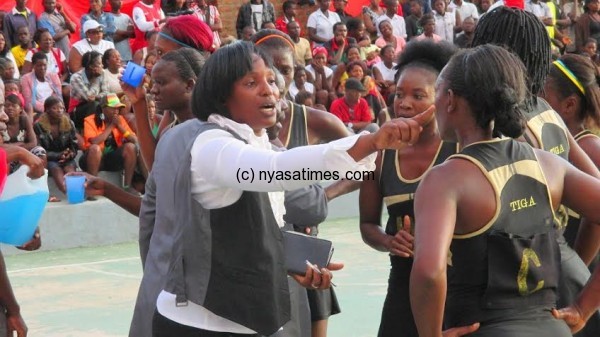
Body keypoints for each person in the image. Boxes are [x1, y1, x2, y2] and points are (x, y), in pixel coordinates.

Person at [150, 40, 429, 337]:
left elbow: (248, 229)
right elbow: (276, 170)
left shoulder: (254, 142)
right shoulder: (212, 146)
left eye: (271, 80)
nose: (269, 89)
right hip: (198, 325)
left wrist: (289, 260)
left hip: (242, 322)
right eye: (251, 82)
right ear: (222, 95)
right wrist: (368, 142)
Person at [408, 41, 599, 337]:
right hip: (554, 329)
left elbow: (429, 272)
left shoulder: (445, 179)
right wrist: (583, 308)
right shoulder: (548, 165)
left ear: (449, 99)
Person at [470, 7, 600, 337]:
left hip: (517, 290)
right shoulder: (547, 113)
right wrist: (575, 267)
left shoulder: (497, 127)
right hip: (564, 275)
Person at [361, 39, 459, 337]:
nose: (404, 103)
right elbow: (367, 225)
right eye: (399, 93)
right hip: (402, 287)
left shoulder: (459, 149)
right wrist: (389, 242)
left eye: (418, 95)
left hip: (456, 288)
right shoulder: (378, 153)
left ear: (442, 98)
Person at [541, 54, 600, 270]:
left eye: (541, 94)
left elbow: (596, 222)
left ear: (569, 105)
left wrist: (576, 271)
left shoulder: (587, 149)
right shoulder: (561, 142)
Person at [80, 93, 140, 191]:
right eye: (113, 108)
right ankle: (92, 186)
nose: (116, 111)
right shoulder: (90, 120)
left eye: (118, 108)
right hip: (91, 160)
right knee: (95, 149)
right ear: (103, 108)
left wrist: (120, 127)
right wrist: (112, 126)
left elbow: (134, 140)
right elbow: (94, 142)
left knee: (130, 147)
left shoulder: (119, 119)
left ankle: (127, 186)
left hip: (110, 160)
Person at [34, 96, 78, 197]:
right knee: (56, 169)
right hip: (50, 159)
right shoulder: (38, 126)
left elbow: (74, 145)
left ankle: (76, 193)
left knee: (70, 171)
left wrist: (70, 154)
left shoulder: (69, 123)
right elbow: (39, 149)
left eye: (61, 108)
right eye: (55, 108)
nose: (59, 111)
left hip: (66, 157)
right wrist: (58, 155)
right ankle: (67, 193)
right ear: (47, 110)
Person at [69, 51, 109, 130]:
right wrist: (96, 80)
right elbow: (89, 97)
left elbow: (106, 93)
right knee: (94, 104)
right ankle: (91, 130)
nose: (103, 66)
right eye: (100, 64)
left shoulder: (103, 73)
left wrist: (97, 97)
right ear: (91, 66)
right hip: (77, 111)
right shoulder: (76, 77)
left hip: (98, 104)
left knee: (109, 104)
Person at [20, 52, 62, 118]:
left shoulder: (53, 76)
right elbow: (30, 100)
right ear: (33, 65)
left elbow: (58, 95)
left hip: (55, 109)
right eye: (39, 65)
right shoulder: (26, 78)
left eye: (44, 65)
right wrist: (48, 110)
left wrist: (54, 108)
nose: (42, 68)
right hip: (38, 111)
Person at [108, 0, 135, 64]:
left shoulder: (126, 17)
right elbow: (111, 39)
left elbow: (133, 34)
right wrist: (128, 33)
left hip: (127, 55)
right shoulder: (107, 17)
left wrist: (121, 33)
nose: (120, 2)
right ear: (110, 2)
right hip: (113, 57)